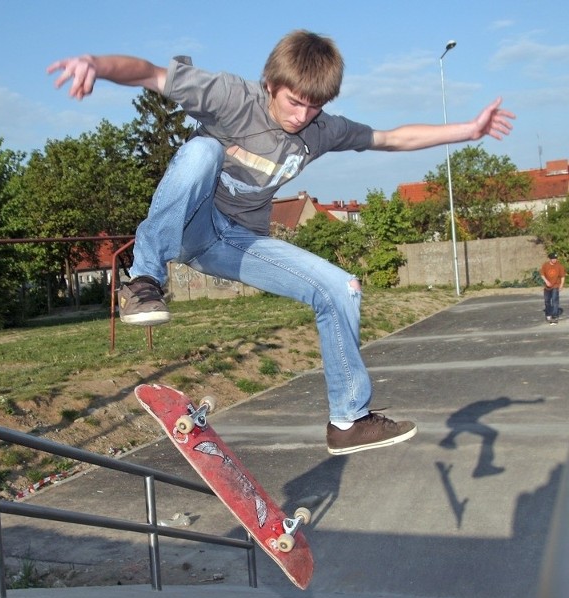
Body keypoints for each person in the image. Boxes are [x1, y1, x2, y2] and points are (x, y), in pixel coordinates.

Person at [48, 30, 515, 456]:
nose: (301, 116)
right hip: (194, 221)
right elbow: (150, 74)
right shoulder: (231, 97)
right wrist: (96, 63)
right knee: (201, 151)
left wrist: (468, 131)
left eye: (314, 106)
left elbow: (390, 138)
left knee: (341, 287)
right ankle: (145, 277)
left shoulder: (319, 129)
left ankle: (348, 420)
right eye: (294, 103)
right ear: (270, 84)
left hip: (237, 242)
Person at [541, 252, 565, 324]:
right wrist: (546, 281)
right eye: (553, 258)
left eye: (555, 258)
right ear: (550, 259)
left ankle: (554, 316)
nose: (554, 260)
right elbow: (542, 274)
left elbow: (562, 276)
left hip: (555, 286)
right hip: (547, 286)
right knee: (547, 301)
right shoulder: (545, 265)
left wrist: (561, 285)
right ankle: (548, 314)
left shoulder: (559, 266)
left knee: (555, 301)